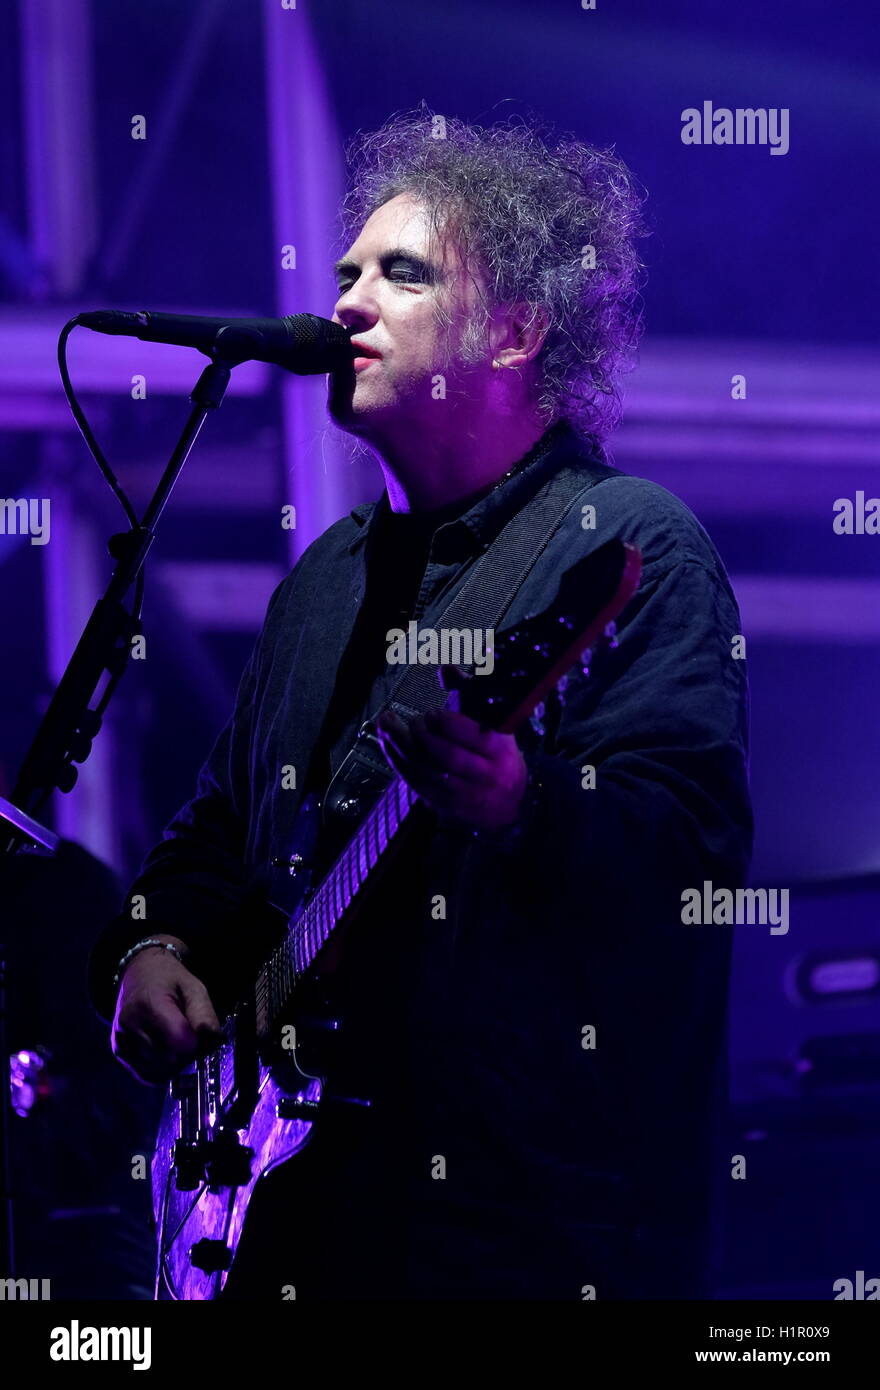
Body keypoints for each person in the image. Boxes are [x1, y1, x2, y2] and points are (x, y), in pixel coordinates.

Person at [88, 109, 752, 1300]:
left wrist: (524, 802)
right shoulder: (324, 584)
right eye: (346, 273)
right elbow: (213, 843)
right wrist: (151, 946)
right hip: (297, 1223)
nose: (346, 302)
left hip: (517, 1237)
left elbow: (689, 861)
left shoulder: (628, 544)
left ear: (513, 329)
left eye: (400, 275)